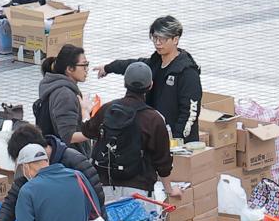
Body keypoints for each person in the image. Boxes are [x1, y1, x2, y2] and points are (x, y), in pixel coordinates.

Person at [0, 123, 104, 221]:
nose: (23, 168)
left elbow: (97, 199)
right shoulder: (29, 170)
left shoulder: (73, 162)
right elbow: (13, 200)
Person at [99, 16, 202, 144]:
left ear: (175, 39)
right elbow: (134, 65)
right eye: (155, 38)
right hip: (154, 135)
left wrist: (176, 140)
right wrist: (108, 68)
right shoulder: (156, 62)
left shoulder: (187, 72)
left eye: (163, 39)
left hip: (179, 144)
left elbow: (190, 113)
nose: (158, 43)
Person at [81, 61, 173, 199]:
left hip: (105, 186)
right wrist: (169, 189)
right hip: (139, 190)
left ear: (125, 83)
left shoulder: (107, 109)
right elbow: (162, 161)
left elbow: (87, 131)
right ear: (150, 85)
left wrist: (85, 111)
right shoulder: (154, 119)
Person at [37, 43, 91, 148]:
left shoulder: (56, 86)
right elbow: (68, 136)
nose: (87, 69)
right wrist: (86, 114)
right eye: (84, 65)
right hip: (70, 158)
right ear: (69, 69)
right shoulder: (65, 95)